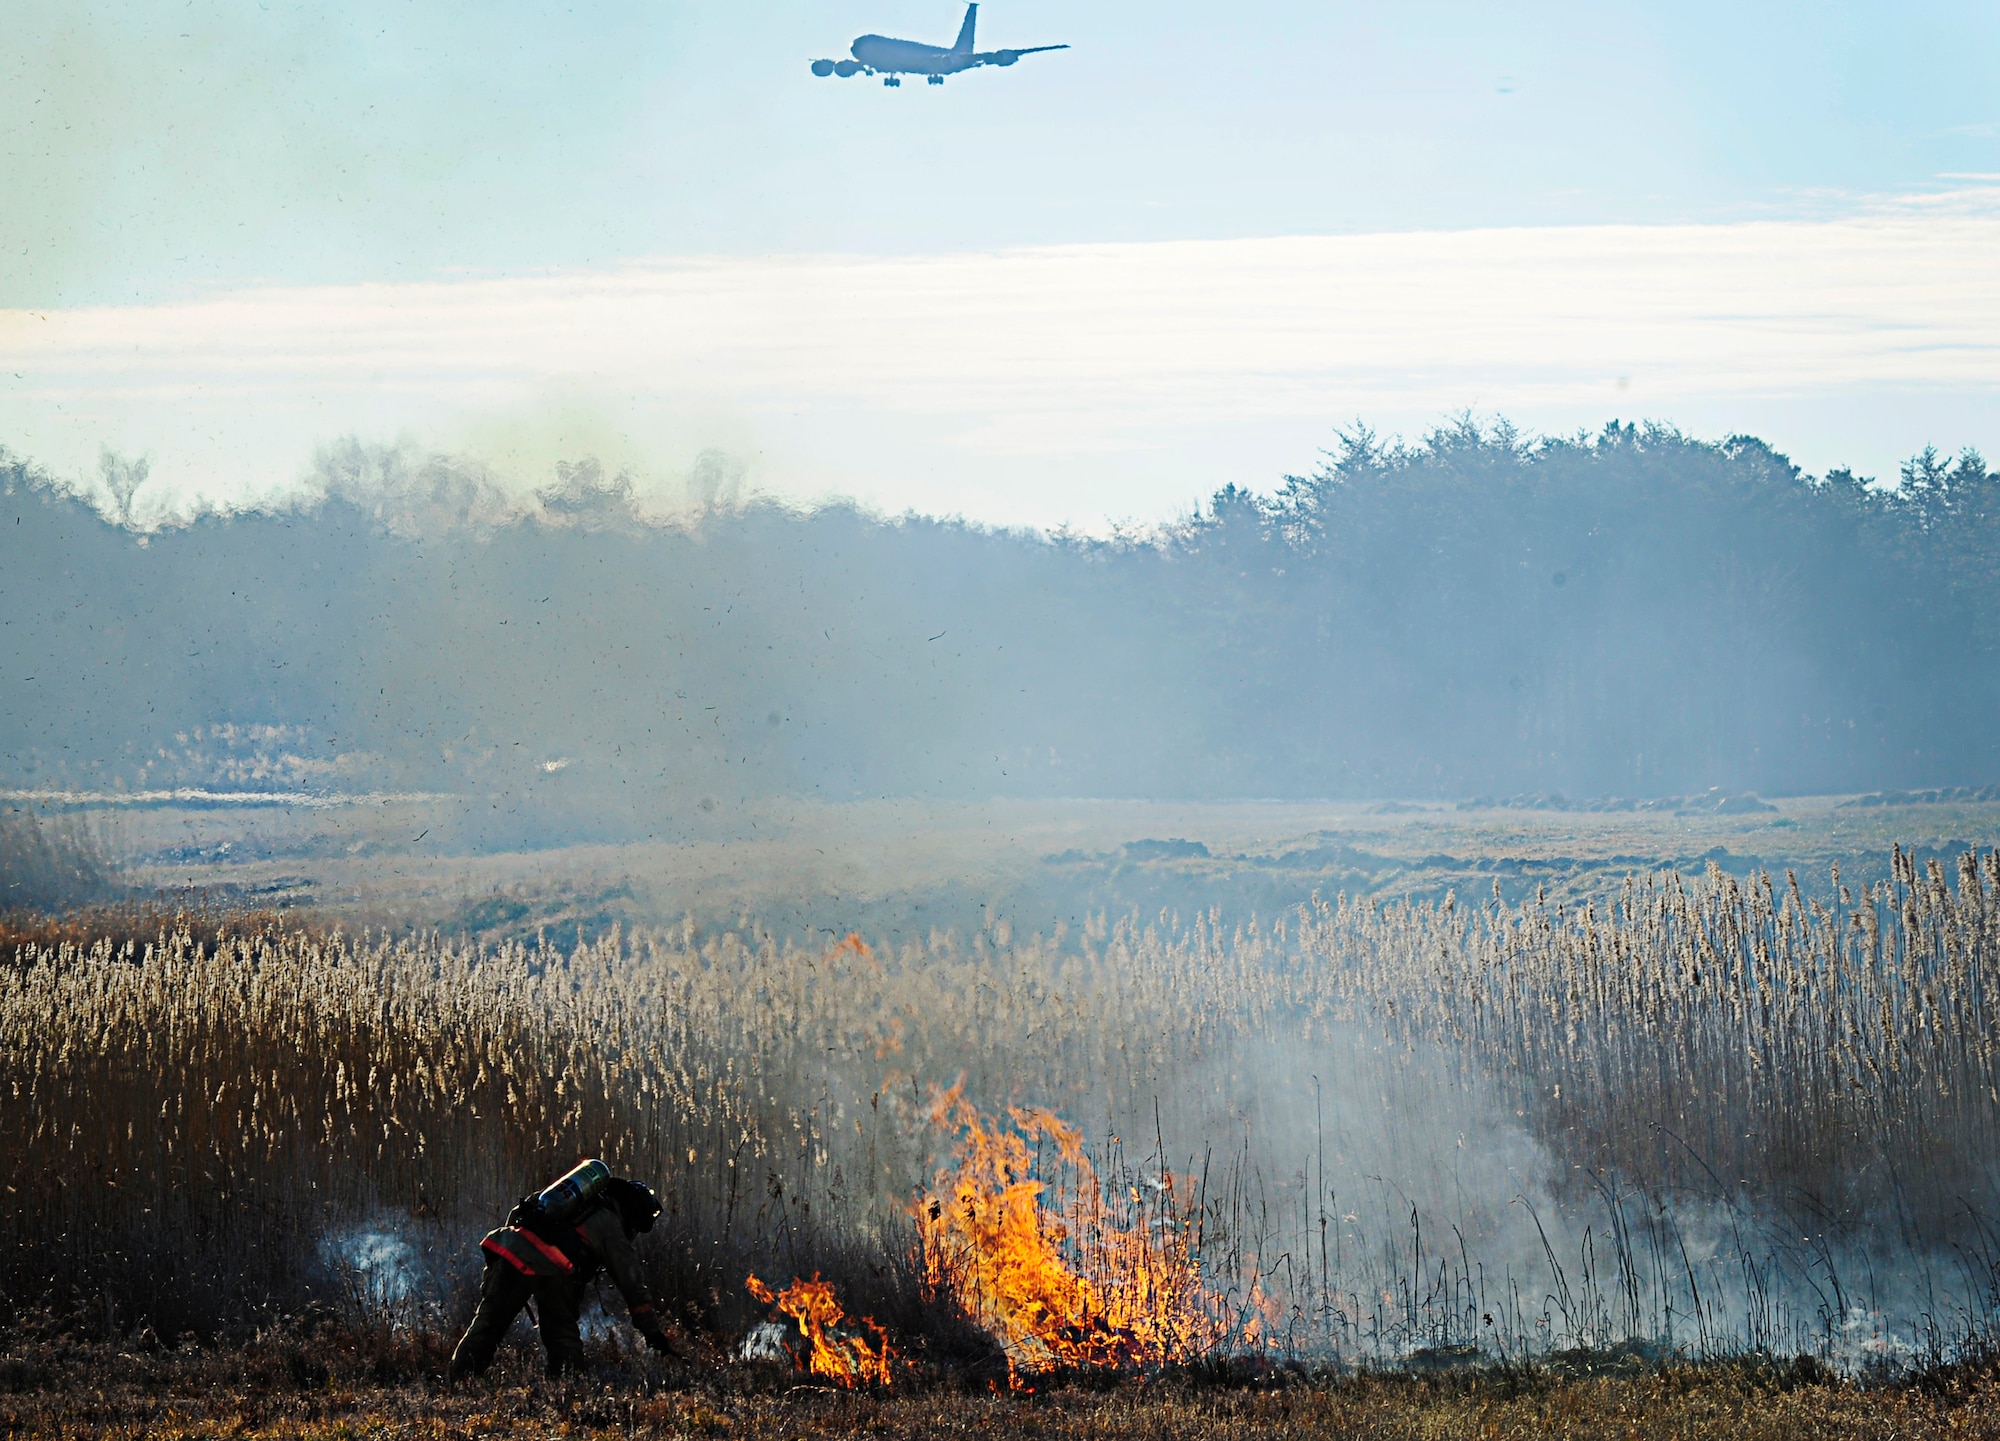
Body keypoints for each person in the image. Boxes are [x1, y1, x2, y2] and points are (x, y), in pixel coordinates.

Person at [448, 1167, 678, 1378]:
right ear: (634, 1215)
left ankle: (457, 1381)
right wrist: (653, 1334)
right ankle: (569, 1391)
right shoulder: (610, 1225)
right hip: (551, 1269)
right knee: (562, 1337)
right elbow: (633, 1286)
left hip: (510, 1250)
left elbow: (519, 1213)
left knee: (487, 1325)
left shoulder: (567, 1198)